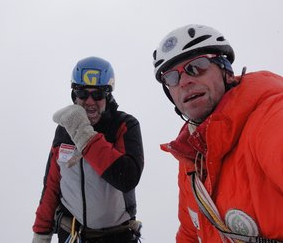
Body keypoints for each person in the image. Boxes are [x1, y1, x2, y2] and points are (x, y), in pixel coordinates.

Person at [152, 24, 283, 242]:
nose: (184, 81)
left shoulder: (271, 118)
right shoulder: (191, 159)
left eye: (197, 66)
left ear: (226, 70)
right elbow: (190, 235)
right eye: (172, 78)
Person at [32, 56, 144, 243]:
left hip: (116, 236)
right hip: (71, 233)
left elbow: (127, 177)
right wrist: (41, 233)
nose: (89, 101)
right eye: (83, 93)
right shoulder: (64, 130)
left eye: (98, 94)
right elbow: (51, 185)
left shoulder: (124, 125)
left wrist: (84, 135)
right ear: (74, 95)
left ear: (108, 96)